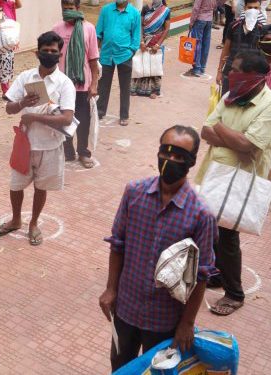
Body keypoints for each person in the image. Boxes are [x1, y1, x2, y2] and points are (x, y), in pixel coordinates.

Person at [99, 125, 218, 371]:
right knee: (121, 365)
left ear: (191, 161)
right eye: (166, 152)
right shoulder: (134, 193)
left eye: (179, 156)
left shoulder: (201, 215)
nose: (170, 160)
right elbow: (118, 244)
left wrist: (187, 323)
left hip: (165, 319)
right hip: (126, 308)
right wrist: (111, 289)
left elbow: (202, 275)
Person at [196, 51, 271, 316]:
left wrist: (221, 129)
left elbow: (248, 147)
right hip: (214, 172)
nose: (229, 74)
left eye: (234, 70)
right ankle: (217, 274)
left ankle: (234, 293)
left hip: (240, 178)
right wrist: (231, 136)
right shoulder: (230, 96)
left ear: (253, 78)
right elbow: (204, 131)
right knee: (210, 226)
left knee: (227, 234)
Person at [0, 31, 76, 246]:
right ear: (37, 52)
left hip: (50, 145)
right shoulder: (25, 77)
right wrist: (22, 103)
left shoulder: (64, 83)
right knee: (16, 185)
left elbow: (67, 118)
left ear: (59, 54)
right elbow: (9, 109)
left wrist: (33, 116)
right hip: (25, 142)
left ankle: (34, 223)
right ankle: (15, 219)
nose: (49, 54)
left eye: (53, 51)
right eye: (45, 50)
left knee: (41, 186)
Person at [53, 0, 100, 168]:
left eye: (70, 9)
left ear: (78, 8)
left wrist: (94, 84)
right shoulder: (57, 29)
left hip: (82, 85)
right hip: (62, 85)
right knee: (63, 120)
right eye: (64, 9)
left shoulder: (89, 29)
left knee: (83, 120)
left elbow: (94, 60)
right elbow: (52, 56)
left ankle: (83, 152)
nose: (67, 12)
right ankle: (68, 151)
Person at [96, 0, 141, 127]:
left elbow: (136, 36)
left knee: (125, 87)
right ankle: (100, 111)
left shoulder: (134, 13)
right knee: (103, 85)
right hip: (106, 54)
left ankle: (124, 115)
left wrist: (131, 50)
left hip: (125, 55)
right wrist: (95, 52)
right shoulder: (105, 10)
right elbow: (98, 32)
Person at [215, 0, 264, 94]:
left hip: (250, 74)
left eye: (256, 8)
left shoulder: (262, 29)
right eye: (250, 8)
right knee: (225, 100)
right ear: (245, 8)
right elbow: (226, 49)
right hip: (230, 71)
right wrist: (219, 71)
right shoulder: (233, 26)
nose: (252, 11)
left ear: (260, 10)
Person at [131, 0, 171, 98]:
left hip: (157, 41)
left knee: (155, 65)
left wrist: (158, 44)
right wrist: (141, 41)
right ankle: (135, 88)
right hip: (144, 40)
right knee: (140, 63)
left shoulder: (166, 10)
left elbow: (166, 29)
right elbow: (140, 25)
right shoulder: (145, 8)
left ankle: (154, 91)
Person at [185, 0, 216, 77]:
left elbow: (196, 8)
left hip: (200, 19)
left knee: (197, 44)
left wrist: (191, 22)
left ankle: (197, 68)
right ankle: (202, 67)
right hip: (209, 19)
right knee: (206, 44)